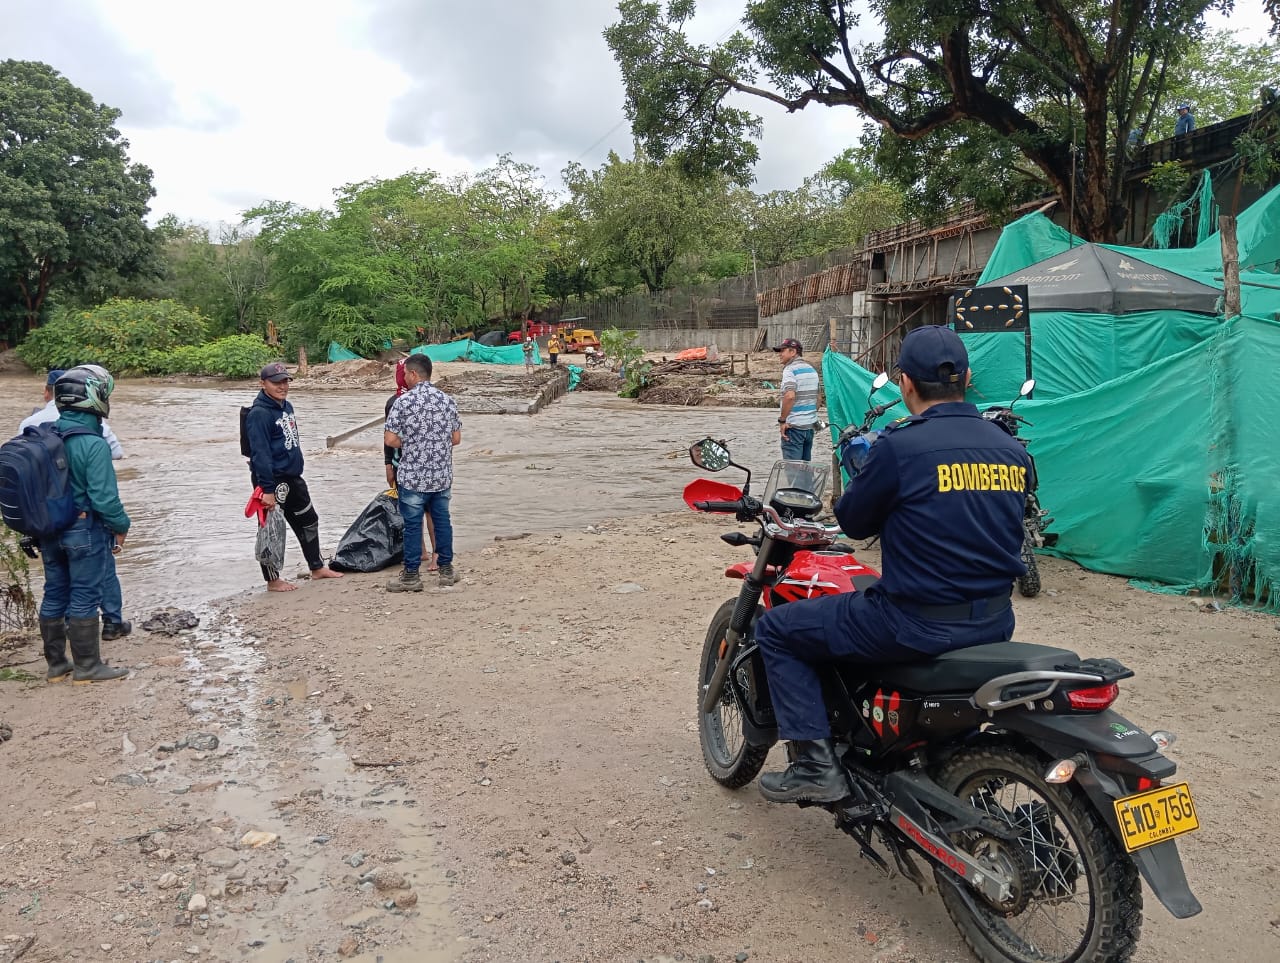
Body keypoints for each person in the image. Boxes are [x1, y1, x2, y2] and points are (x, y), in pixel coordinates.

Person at [753, 326, 1032, 804]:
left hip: (911, 623)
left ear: (904, 384)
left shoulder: (901, 447)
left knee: (778, 629)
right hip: (994, 621)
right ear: (966, 377)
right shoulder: (1012, 450)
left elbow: (853, 523)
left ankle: (814, 765)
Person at [36, 365, 131, 683]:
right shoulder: (93, 444)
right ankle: (88, 666)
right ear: (93, 399)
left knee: (54, 593)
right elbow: (105, 500)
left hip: (48, 530)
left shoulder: (44, 435)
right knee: (84, 595)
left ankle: (56, 665)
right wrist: (122, 525)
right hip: (84, 531)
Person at [244, 362, 344, 592]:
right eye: (276, 382)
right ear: (263, 384)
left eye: (285, 381)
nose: (282, 386)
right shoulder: (259, 414)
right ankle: (272, 580)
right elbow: (260, 454)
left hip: (293, 477)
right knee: (271, 529)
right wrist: (266, 489)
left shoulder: (286, 406)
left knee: (309, 519)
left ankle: (317, 567)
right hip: (272, 480)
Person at [384, 354, 462, 591]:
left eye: (406, 373)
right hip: (441, 474)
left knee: (412, 525)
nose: (405, 377)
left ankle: (411, 576)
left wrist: (411, 444)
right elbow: (456, 439)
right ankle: (446, 571)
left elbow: (390, 439)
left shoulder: (403, 402)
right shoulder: (447, 400)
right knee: (442, 522)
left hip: (413, 476)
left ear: (414, 374)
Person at [384, 359, 437, 571]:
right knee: (413, 510)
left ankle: (434, 552)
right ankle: (423, 551)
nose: (403, 376)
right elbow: (387, 437)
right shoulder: (393, 402)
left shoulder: (417, 399)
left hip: (419, 462)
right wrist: (388, 464)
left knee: (427, 510)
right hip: (403, 462)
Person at [773, 337, 820, 461]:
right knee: (805, 470)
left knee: (793, 472)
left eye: (783, 351)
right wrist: (808, 416)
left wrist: (782, 421)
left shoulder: (790, 370)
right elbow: (818, 398)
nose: (780, 355)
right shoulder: (812, 370)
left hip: (793, 429)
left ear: (793, 352)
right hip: (809, 428)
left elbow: (790, 396)